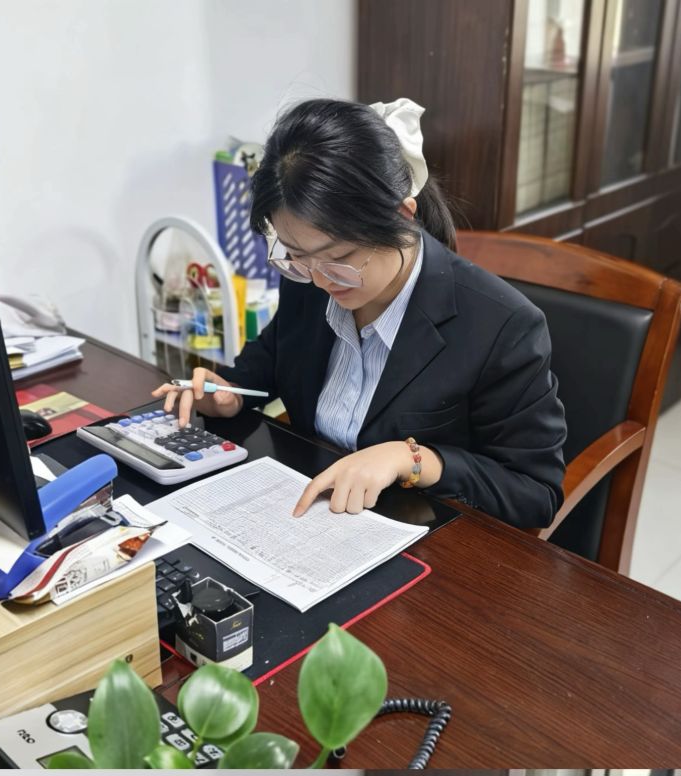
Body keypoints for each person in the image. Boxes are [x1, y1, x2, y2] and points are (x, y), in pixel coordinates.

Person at [159, 98, 567, 530]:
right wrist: (226, 396)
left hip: (425, 538)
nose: (320, 281)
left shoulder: (502, 326)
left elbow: (535, 494)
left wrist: (413, 460)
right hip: (316, 517)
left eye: (340, 258)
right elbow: (263, 369)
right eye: (296, 256)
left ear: (402, 217)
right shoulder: (310, 278)